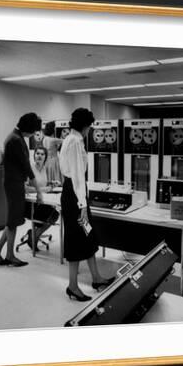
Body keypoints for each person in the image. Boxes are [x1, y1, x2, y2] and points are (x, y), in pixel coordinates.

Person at [59, 108, 114, 301]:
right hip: (75, 197)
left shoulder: (71, 139)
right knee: (76, 238)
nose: (90, 130)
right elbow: (76, 177)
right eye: (90, 126)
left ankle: (97, 278)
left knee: (88, 234)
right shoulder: (74, 141)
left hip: (75, 195)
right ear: (85, 125)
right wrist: (82, 205)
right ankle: (73, 286)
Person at [0, 113, 43, 267]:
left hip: (14, 183)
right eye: (33, 131)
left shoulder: (15, 136)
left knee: (12, 220)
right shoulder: (16, 140)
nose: (33, 134)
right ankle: (10, 256)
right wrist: (38, 191)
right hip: (14, 184)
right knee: (13, 221)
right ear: (28, 128)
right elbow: (26, 167)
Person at [23, 147, 60, 249]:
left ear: (45, 157)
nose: (39, 156)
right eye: (37, 153)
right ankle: (34, 236)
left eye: (42, 154)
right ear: (34, 155)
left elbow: (41, 183)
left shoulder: (44, 168)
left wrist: (51, 183)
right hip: (30, 204)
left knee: (55, 213)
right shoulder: (29, 168)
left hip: (41, 201)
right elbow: (25, 188)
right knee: (53, 214)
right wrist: (43, 189)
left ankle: (34, 234)